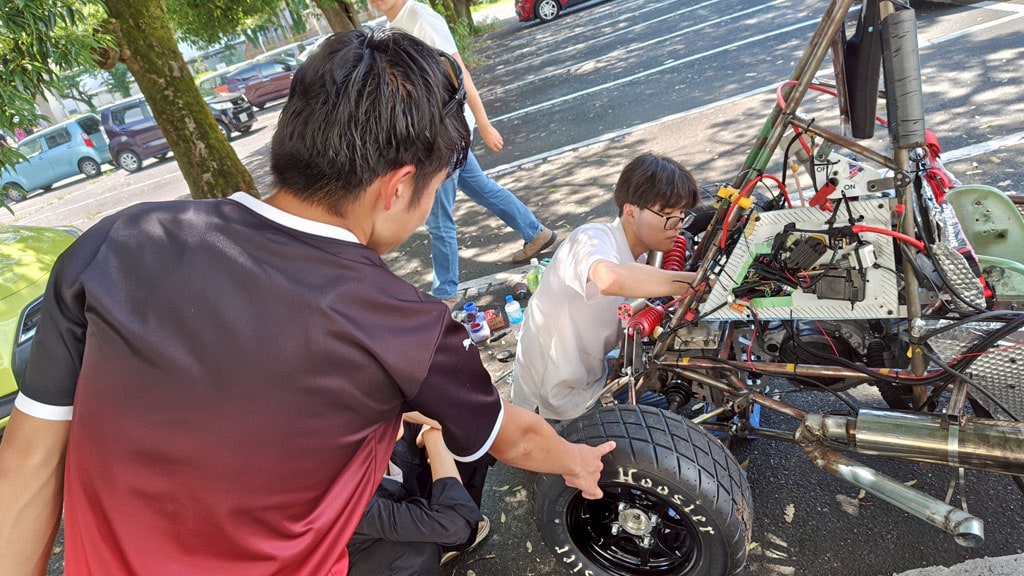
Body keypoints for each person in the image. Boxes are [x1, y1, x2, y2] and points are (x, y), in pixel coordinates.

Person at [0, 28, 614, 576]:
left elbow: (26, 466)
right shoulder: (402, 325)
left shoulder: (117, 243)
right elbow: (516, 438)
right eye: (435, 188)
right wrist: (578, 461)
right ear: (399, 186)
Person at [371, 0, 558, 305]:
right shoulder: (394, 25)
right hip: (437, 132)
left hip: (445, 135)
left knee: (437, 216)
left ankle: (445, 293)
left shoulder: (420, 19)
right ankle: (535, 233)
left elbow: (459, 72)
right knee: (482, 188)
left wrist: (483, 124)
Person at [512, 154, 702, 421]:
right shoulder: (590, 238)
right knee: (678, 429)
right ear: (631, 211)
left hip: (595, 381)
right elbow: (609, 278)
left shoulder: (639, 257)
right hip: (555, 404)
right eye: (669, 216)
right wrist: (698, 282)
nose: (677, 227)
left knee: (684, 410)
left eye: (682, 216)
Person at [347, 420, 486, 576]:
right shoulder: (349, 496)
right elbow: (456, 527)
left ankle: (445, 539)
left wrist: (431, 424)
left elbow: (469, 416)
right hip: (367, 552)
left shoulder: (388, 427)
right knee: (418, 552)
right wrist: (434, 439)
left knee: (467, 436)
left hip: (397, 502)